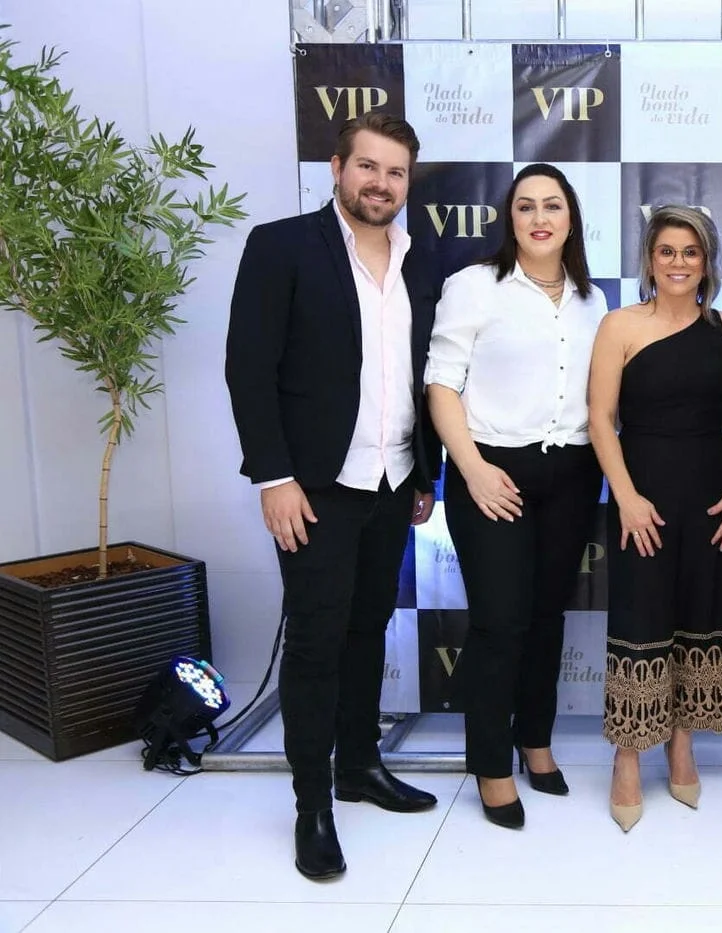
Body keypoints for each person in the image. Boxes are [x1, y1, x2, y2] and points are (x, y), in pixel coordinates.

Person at [226, 112, 441, 880]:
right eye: (368, 167)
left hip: (392, 481)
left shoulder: (421, 260)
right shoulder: (281, 246)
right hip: (313, 487)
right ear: (337, 167)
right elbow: (248, 368)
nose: (381, 183)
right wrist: (273, 477)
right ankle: (311, 807)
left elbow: (421, 375)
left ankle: (359, 766)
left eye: (395, 172)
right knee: (316, 643)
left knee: (367, 630)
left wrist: (422, 473)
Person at [425, 163, 607, 830]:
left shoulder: (593, 300)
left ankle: (535, 740)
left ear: (571, 218)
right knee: (499, 622)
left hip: (573, 473)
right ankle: (490, 764)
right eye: (525, 205)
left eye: (552, 205)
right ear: (510, 218)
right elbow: (441, 384)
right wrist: (470, 468)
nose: (539, 217)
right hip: (491, 471)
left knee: (546, 618)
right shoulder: (474, 285)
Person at [587, 206, 722, 833]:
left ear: (707, 262)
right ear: (649, 260)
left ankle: (683, 745)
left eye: (691, 252)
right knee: (641, 615)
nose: (679, 263)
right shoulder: (619, 325)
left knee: (699, 611)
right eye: (667, 251)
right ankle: (627, 756)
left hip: (711, 494)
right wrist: (626, 496)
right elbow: (600, 418)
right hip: (643, 493)